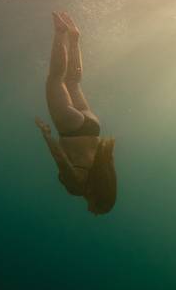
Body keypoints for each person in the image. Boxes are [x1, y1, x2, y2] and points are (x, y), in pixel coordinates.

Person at [35, 11, 117, 215]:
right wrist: (47, 136)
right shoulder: (78, 188)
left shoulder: (103, 170)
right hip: (70, 129)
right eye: (98, 210)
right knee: (55, 79)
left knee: (72, 82)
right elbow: (61, 159)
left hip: (92, 127)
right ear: (97, 199)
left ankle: (74, 39)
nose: (94, 213)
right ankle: (60, 33)